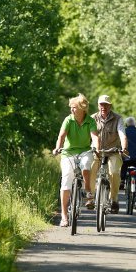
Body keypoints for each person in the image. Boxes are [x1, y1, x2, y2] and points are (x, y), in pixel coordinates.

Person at [53, 93, 99, 227]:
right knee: (66, 180)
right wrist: (57, 148)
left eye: (74, 107)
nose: (72, 110)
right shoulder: (68, 120)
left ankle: (88, 191)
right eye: (71, 107)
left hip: (85, 151)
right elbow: (61, 136)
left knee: (86, 165)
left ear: (82, 108)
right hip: (68, 153)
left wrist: (96, 147)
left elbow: (94, 136)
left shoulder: (90, 121)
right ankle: (64, 216)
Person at [90, 95, 128, 214]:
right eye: (101, 104)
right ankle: (90, 196)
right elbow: (87, 134)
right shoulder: (92, 118)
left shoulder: (118, 118)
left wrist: (124, 148)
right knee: (89, 169)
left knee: (114, 172)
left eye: (106, 104)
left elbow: (122, 134)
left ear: (110, 106)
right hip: (97, 151)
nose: (103, 107)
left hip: (113, 151)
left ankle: (114, 199)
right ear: (98, 105)